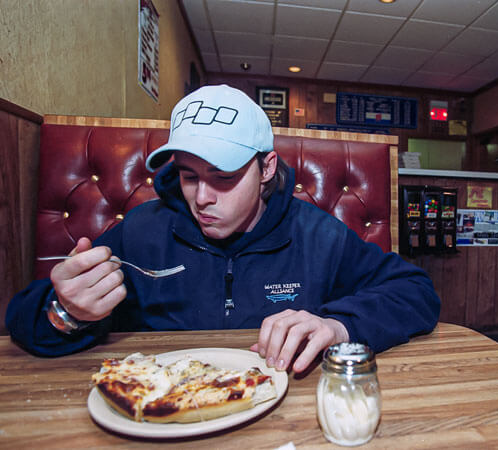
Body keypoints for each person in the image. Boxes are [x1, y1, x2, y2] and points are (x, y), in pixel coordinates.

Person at [6, 84, 440, 372]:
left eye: (225, 176)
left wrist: (338, 326)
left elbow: (416, 293)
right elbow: (22, 320)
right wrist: (66, 311)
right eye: (189, 176)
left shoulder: (317, 235)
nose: (202, 198)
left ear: (266, 167)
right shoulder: (141, 231)